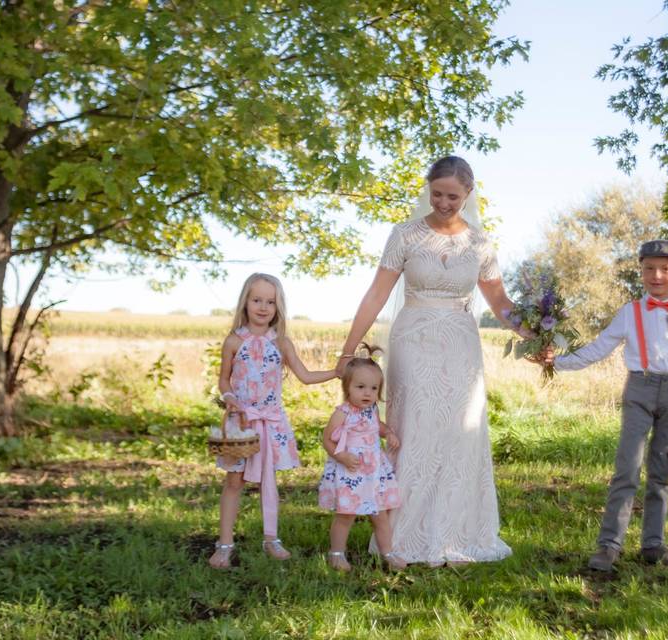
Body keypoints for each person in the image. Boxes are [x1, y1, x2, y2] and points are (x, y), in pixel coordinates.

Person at [335, 156, 527, 565]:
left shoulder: (480, 244)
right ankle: (400, 535)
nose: (442, 202)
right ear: (428, 190)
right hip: (413, 340)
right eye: (436, 193)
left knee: (460, 432)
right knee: (414, 430)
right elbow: (376, 294)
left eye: (452, 196)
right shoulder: (404, 235)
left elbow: (500, 302)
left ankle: (458, 533)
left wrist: (535, 332)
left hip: (460, 345)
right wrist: (349, 349)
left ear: (468, 194)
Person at [543, 240, 668, 572]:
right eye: (649, 269)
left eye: (665, 269)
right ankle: (609, 546)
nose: (656, 275)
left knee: (660, 473)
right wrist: (557, 363)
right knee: (627, 468)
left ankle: (654, 545)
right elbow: (599, 348)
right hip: (640, 389)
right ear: (641, 271)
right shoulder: (630, 312)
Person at [209, 273, 337, 570]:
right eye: (257, 300)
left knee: (270, 480)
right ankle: (224, 544)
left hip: (271, 422)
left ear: (278, 307)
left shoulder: (281, 343)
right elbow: (223, 380)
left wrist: (335, 372)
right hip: (241, 423)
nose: (263, 307)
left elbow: (305, 376)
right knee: (234, 481)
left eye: (270, 302)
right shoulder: (233, 341)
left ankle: (271, 538)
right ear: (246, 302)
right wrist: (230, 399)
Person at [318, 343, 405, 572]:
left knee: (381, 514)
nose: (368, 393)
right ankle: (336, 554)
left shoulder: (372, 409)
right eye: (360, 387)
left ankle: (388, 553)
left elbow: (376, 426)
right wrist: (343, 456)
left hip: (374, 470)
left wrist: (389, 433)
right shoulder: (342, 412)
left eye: (374, 388)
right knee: (346, 514)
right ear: (347, 388)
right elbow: (327, 440)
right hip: (351, 470)